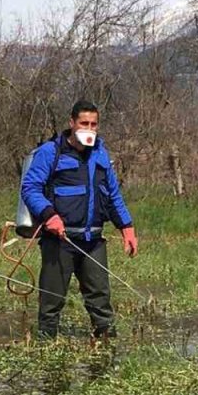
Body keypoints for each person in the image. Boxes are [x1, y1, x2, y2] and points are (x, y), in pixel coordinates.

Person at [20, 100, 137, 341]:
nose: (89, 129)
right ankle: (45, 350)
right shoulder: (50, 153)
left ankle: (106, 348)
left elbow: (113, 194)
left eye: (94, 124)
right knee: (51, 302)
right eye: (84, 123)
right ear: (72, 123)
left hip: (93, 241)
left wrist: (127, 227)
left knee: (101, 301)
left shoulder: (101, 154)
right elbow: (30, 188)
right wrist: (49, 215)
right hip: (60, 241)